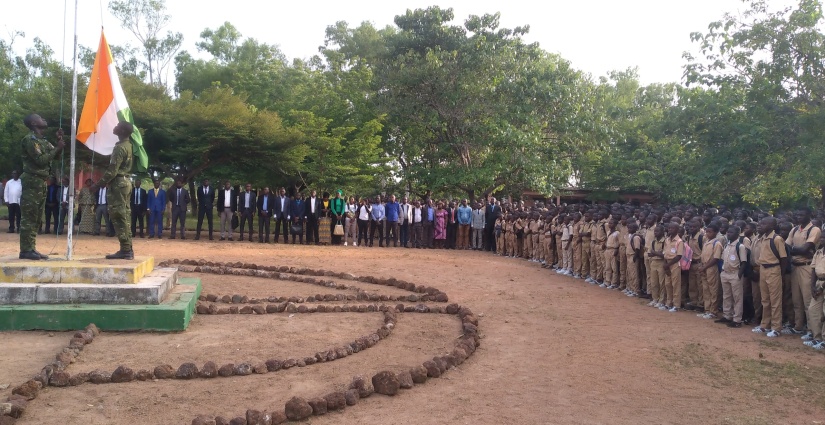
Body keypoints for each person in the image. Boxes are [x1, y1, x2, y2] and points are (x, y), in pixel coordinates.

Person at [18, 114, 66, 259]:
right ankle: (25, 250)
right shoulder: (30, 140)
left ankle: (31, 248)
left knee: (37, 216)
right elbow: (41, 160)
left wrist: (58, 143)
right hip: (32, 181)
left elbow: (56, 156)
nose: (44, 119)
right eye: (40, 118)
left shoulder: (43, 141)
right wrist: (57, 148)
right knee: (29, 216)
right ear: (33, 123)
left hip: (41, 182)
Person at [90, 121, 134, 259]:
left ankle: (125, 249)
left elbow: (112, 171)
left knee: (118, 215)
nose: (115, 127)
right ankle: (128, 247)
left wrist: (97, 185)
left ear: (122, 131)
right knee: (125, 215)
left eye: (118, 126)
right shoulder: (128, 145)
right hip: (125, 182)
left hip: (118, 184)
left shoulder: (120, 148)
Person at [785, 208, 821, 336]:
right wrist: (798, 250)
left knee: (807, 300)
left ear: (809, 215)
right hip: (795, 266)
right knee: (796, 300)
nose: (799, 217)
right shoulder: (794, 229)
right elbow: (786, 247)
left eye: (802, 215)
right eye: (798, 214)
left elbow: (806, 248)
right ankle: (798, 326)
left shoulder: (814, 230)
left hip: (807, 267)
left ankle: (811, 330)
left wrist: (794, 249)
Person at [753, 217, 788, 338]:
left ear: (772, 226)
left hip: (773, 269)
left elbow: (783, 258)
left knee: (775, 300)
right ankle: (765, 324)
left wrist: (781, 275)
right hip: (763, 269)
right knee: (765, 299)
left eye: (764, 224)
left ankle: (776, 327)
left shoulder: (777, 239)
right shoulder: (762, 238)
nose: (761, 225)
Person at [717, 225, 748, 328]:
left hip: (735, 273)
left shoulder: (740, 246)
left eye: (731, 232)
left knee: (737, 297)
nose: (729, 234)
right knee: (726, 296)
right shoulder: (727, 245)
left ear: (737, 234)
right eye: (728, 232)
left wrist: (739, 275)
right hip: (725, 273)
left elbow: (744, 262)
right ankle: (727, 315)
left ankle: (737, 319)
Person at [803, 231, 825, 349]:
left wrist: (821, 287)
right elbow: (813, 269)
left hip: (823, 284)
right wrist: (812, 286)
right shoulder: (818, 252)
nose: (822, 239)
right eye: (821, 237)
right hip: (818, 282)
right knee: (813, 310)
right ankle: (817, 338)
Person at [698, 224, 723, 319]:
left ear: (716, 232)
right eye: (706, 232)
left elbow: (716, 258)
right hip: (704, 267)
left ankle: (713, 311)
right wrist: (702, 266)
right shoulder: (706, 242)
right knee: (706, 289)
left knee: (713, 290)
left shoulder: (717, 243)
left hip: (711, 268)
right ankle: (707, 309)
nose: (708, 234)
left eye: (710, 232)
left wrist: (704, 267)